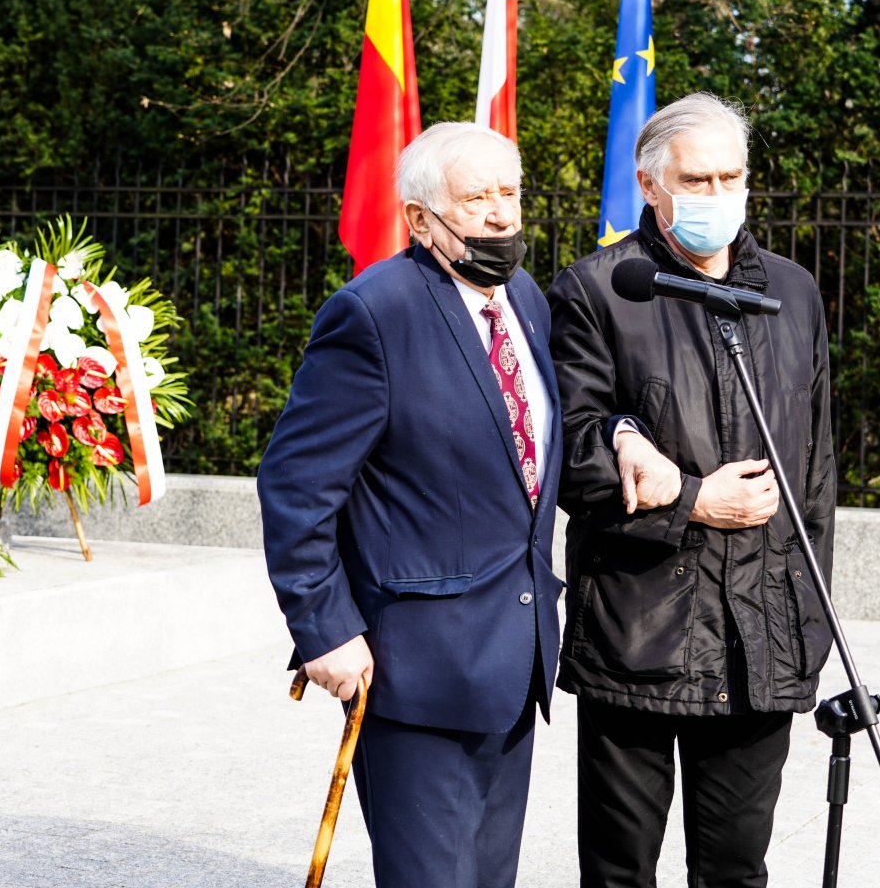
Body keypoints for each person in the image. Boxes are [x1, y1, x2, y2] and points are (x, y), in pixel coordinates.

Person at [258, 121, 563, 888]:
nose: (500, 213)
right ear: (420, 219)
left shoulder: (525, 298)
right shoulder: (373, 313)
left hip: (514, 658)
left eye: (509, 192)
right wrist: (325, 628)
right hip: (417, 670)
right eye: (476, 197)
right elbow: (297, 484)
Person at [548, 92, 837, 888]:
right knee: (619, 873)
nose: (718, 195)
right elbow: (571, 450)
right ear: (650, 184)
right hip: (638, 632)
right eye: (697, 180)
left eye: (730, 177)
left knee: (737, 871)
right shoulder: (599, 289)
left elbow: (815, 478)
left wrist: (806, 626)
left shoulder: (793, 292)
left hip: (759, 642)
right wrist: (692, 499)